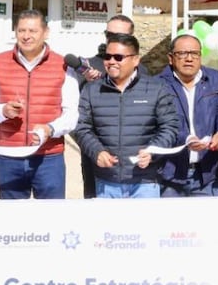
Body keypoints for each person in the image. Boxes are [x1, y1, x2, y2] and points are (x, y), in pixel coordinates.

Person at [0, 9, 79, 199]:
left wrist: (50, 129)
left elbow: (71, 114)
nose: (26, 36)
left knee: (52, 220)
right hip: (9, 155)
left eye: (32, 31)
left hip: (49, 157)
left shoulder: (62, 65)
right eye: (21, 30)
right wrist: (3, 111)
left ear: (46, 32)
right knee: (12, 222)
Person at [75, 33, 180, 198]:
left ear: (135, 60)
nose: (111, 62)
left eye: (118, 57)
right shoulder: (91, 90)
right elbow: (82, 128)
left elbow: (170, 126)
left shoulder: (156, 88)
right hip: (106, 181)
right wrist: (97, 152)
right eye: (107, 56)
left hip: (145, 182)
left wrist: (152, 151)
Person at [157, 34, 218, 196]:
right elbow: (160, 122)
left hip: (206, 173)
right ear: (171, 58)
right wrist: (186, 139)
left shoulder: (214, 78)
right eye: (182, 53)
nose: (189, 59)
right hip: (171, 173)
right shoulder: (157, 84)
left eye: (194, 53)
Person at [75, 14, 134, 199]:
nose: (113, 39)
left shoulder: (142, 70)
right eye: (109, 34)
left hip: (132, 154)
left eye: (119, 35)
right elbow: (77, 113)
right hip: (96, 152)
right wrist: (86, 83)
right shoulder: (88, 66)